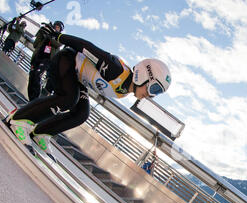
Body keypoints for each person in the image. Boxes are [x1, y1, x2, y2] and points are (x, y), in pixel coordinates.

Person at [5, 23, 171, 160]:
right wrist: (58, 37)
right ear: (143, 75)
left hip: (76, 75)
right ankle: (18, 119)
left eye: (156, 93)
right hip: (65, 60)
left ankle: (41, 132)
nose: (150, 95)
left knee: (81, 113)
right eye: (153, 88)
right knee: (68, 98)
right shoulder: (116, 70)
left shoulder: (123, 91)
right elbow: (87, 47)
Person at [27, 20, 64, 101]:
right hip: (37, 57)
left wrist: (50, 36)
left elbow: (59, 44)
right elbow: (35, 44)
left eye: (58, 27)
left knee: (37, 75)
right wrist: (41, 33)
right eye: (55, 26)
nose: (56, 28)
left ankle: (35, 100)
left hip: (47, 60)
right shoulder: (45, 33)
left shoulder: (58, 37)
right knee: (32, 76)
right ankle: (31, 99)